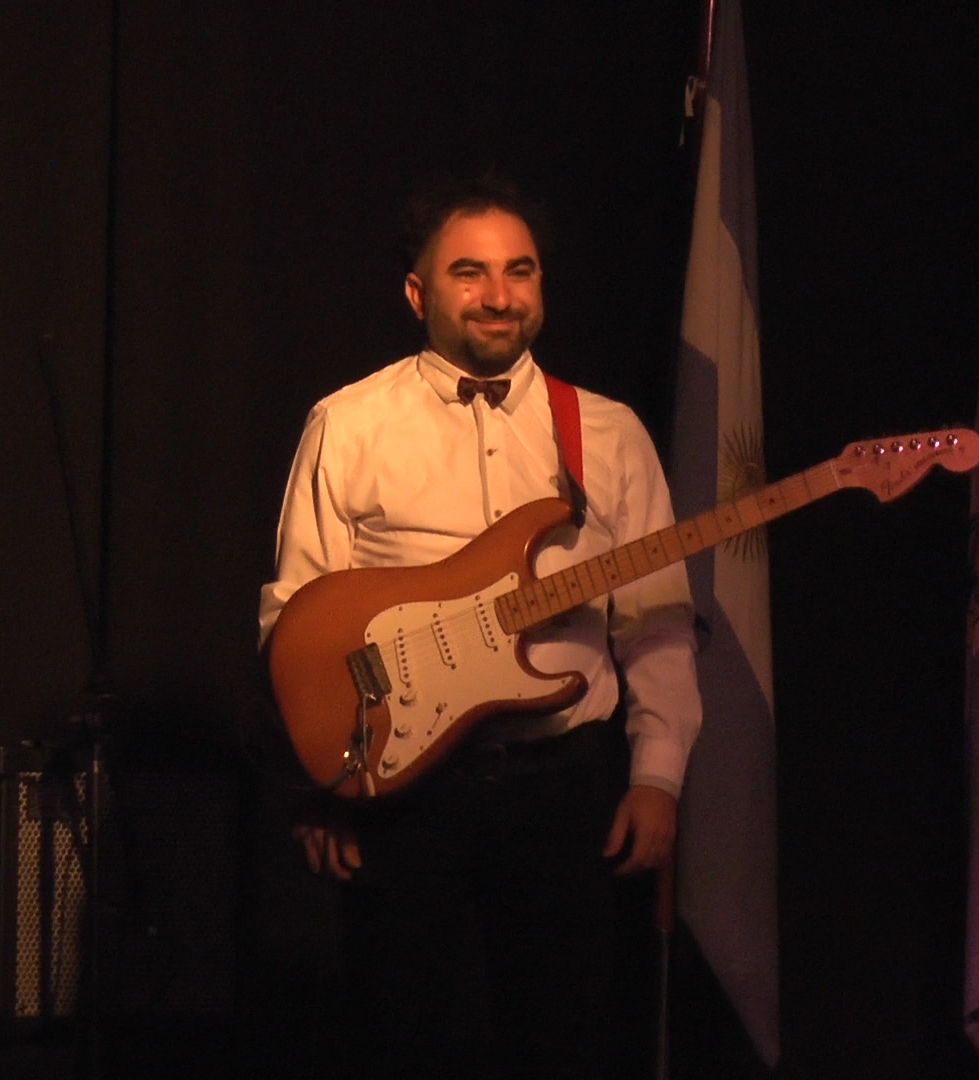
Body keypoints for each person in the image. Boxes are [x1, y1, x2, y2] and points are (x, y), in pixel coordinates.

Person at [257, 174, 701, 1079]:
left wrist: (657, 777)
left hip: (563, 788)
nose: (499, 295)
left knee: (567, 1049)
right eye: (470, 273)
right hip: (403, 802)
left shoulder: (607, 434)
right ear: (417, 292)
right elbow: (295, 621)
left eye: (519, 271)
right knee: (395, 1045)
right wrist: (322, 784)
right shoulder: (349, 423)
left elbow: (656, 621)